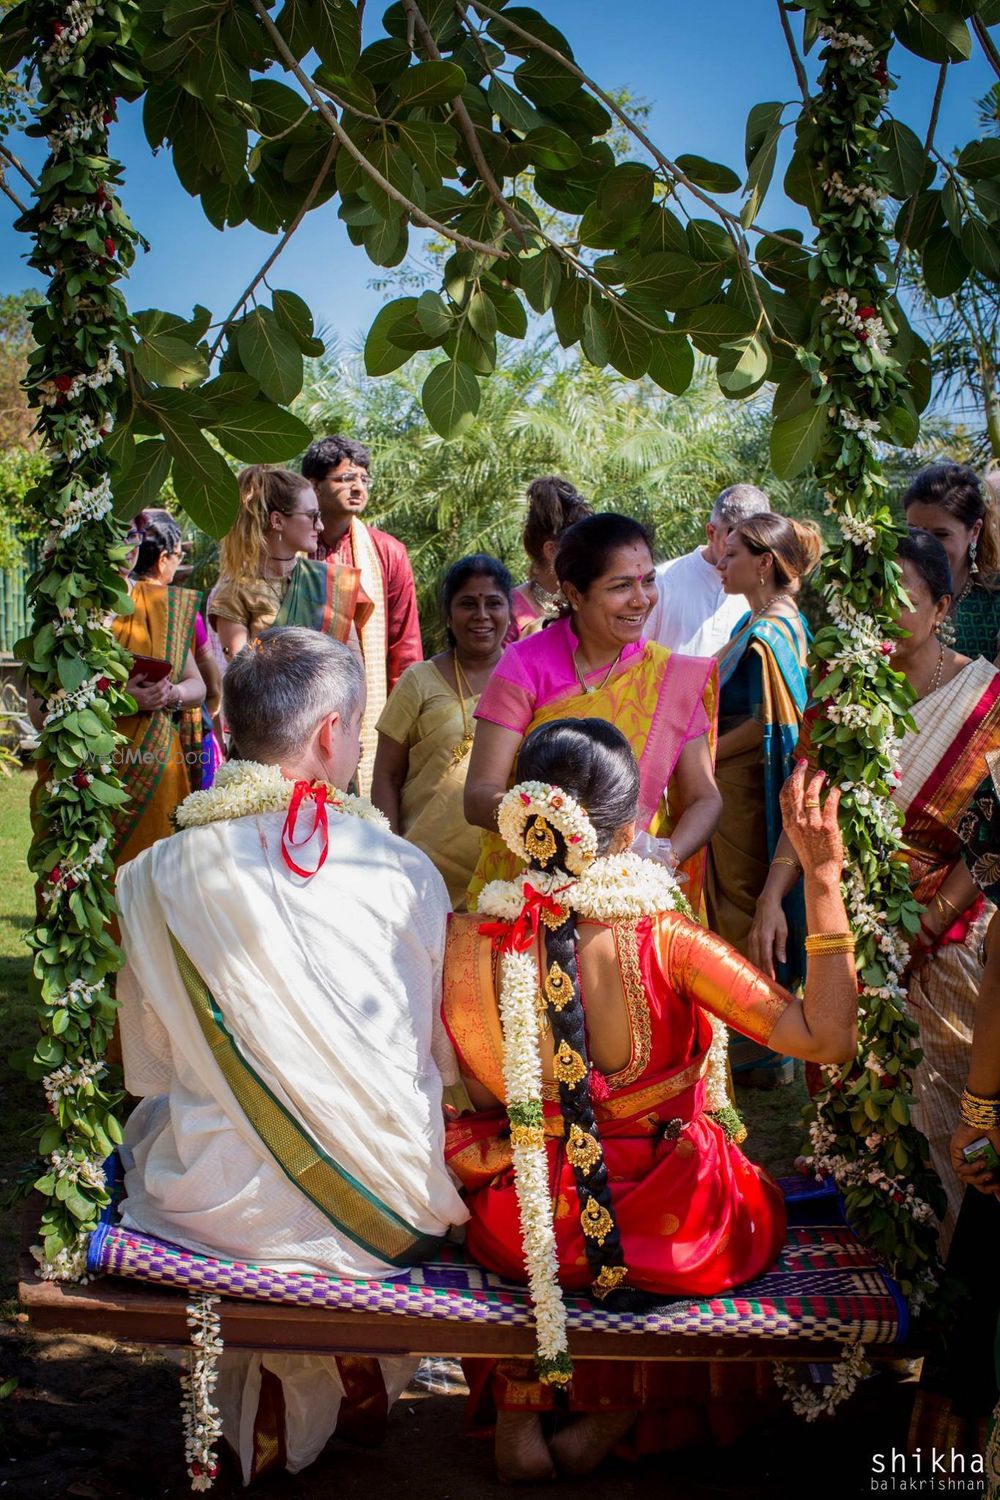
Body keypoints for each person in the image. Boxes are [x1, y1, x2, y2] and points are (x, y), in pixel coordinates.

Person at [444, 718, 857, 1480]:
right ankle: (615, 1409)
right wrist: (823, 883)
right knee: (734, 1198)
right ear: (630, 829)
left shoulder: (474, 941)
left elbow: (475, 1100)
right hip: (675, 1227)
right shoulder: (668, 938)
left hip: (530, 1227)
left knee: (517, 1200)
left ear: (523, 818)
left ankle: (524, 1407)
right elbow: (825, 1038)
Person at [115, 627, 468, 1483]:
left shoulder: (151, 873)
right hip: (393, 1206)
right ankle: (355, 1387)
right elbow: (440, 1061)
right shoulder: (402, 870)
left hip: (210, 1209)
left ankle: (284, 1409)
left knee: (159, 1124)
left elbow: (150, 1070)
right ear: (329, 735)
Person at [751, 529, 1000, 1244]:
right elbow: (805, 801)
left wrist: (928, 922)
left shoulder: (987, 701)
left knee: (940, 1104)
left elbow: (990, 841)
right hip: (846, 921)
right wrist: (773, 894)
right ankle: (873, 1270)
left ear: (942, 607)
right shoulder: (844, 690)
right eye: (866, 600)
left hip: (951, 941)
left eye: (902, 599)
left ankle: (948, 1273)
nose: (880, 614)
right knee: (855, 1105)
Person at [464, 512, 721, 909]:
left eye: (648, 581)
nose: (641, 599)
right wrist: (564, 832)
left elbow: (705, 797)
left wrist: (663, 856)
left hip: (629, 890)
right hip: (533, 888)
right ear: (575, 593)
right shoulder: (525, 664)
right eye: (621, 586)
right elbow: (479, 797)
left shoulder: (670, 676)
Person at [706, 512, 820, 1085]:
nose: (721, 564)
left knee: (744, 908)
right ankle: (759, 1043)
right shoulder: (765, 622)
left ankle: (761, 1051)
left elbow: (766, 725)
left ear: (764, 563)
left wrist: (702, 756)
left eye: (732, 555)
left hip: (745, 789)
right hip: (736, 785)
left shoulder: (769, 635)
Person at [372, 555, 512, 907]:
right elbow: (386, 775)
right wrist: (393, 855)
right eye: (468, 604)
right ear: (448, 616)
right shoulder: (418, 681)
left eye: (493, 603)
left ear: (509, 612)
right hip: (419, 871)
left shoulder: (524, 680)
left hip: (502, 875)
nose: (481, 615)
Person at [302, 435, 423, 793]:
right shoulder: (289, 546)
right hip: (302, 696)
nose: (357, 487)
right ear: (314, 486)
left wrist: (404, 725)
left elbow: (405, 644)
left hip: (364, 706)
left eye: (363, 479)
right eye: (345, 479)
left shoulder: (388, 552)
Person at [109, 515, 206, 867]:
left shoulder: (161, 604)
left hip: (157, 769)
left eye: (134, 534)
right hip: (88, 772)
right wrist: (120, 702)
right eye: (119, 533)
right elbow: (40, 712)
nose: (130, 544)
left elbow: (198, 686)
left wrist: (171, 694)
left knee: (155, 880)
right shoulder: (68, 610)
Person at [132, 513, 221, 790]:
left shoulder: (116, 605)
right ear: (162, 560)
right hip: (180, 732)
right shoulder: (178, 610)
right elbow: (211, 680)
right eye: (179, 555)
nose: (178, 563)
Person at [645, 483, 771, 657]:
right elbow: (634, 656)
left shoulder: (765, 591)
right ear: (711, 532)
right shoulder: (662, 582)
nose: (746, 552)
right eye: (733, 545)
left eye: (754, 544)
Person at [904, 462, 1000, 662]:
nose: (924, 545)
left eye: (940, 534)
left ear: (974, 531)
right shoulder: (883, 593)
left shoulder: (995, 600)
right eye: (914, 531)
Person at [509, 475, 592, 638]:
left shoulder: (589, 602)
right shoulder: (507, 610)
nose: (591, 557)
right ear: (551, 550)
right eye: (581, 549)